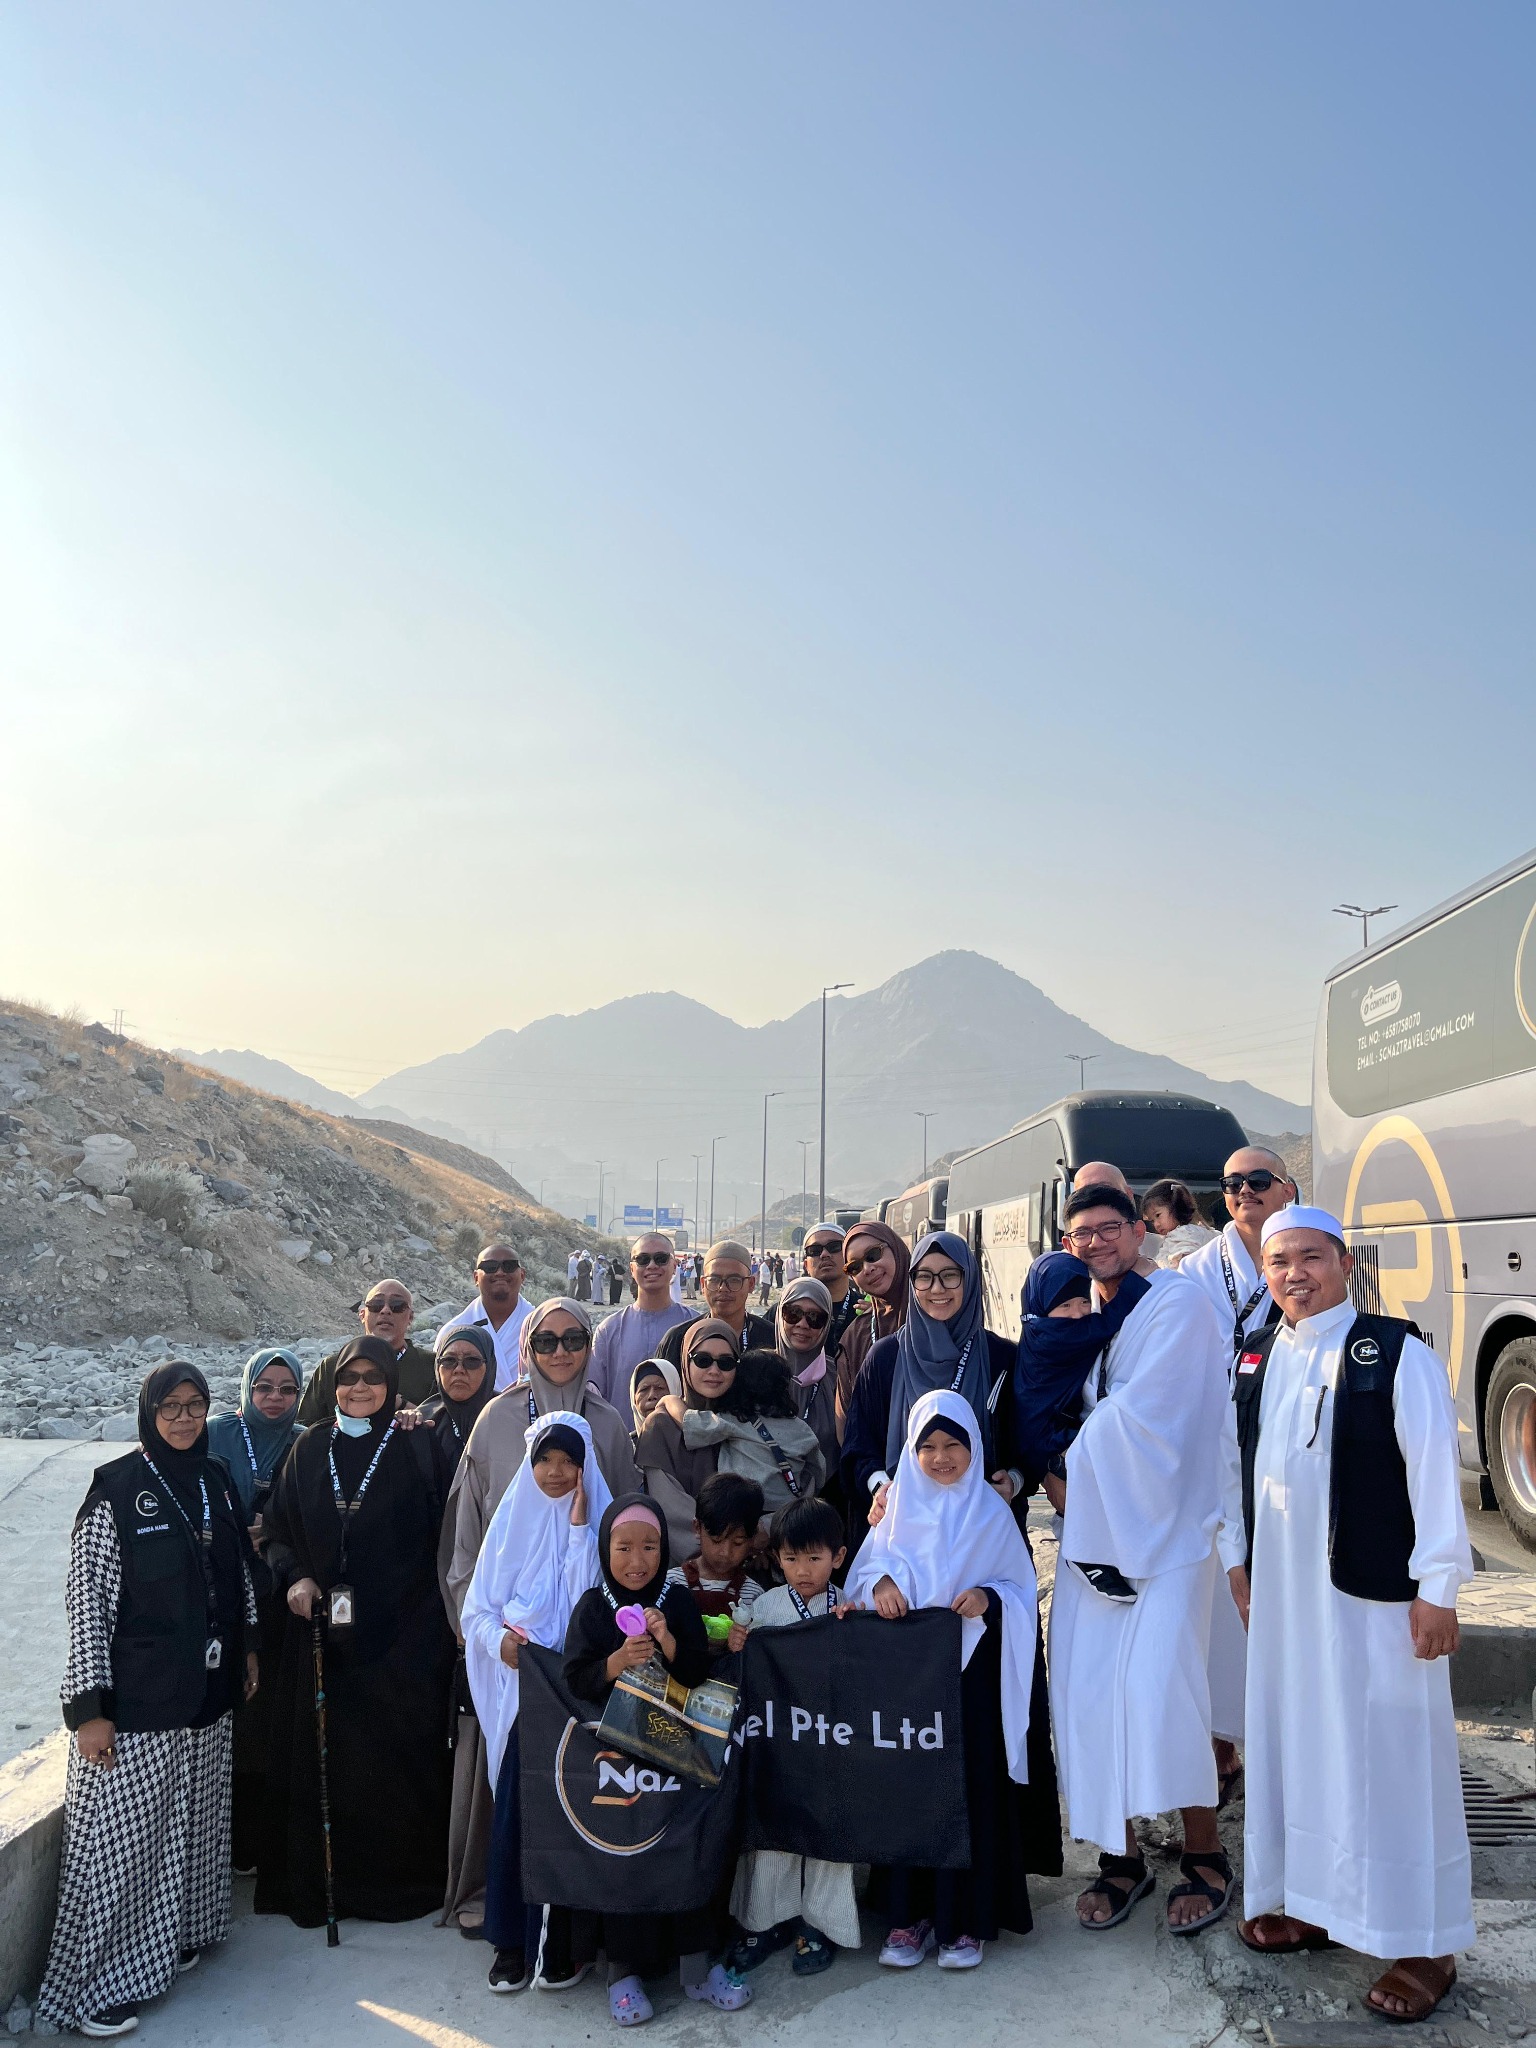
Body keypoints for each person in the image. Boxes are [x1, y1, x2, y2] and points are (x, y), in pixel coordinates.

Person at [1224, 1208, 1474, 2022]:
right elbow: (1234, 1460)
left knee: (1394, 1758)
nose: (1294, 1274)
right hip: (1286, 1600)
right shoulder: (1260, 1354)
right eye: (1279, 1262)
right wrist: (1236, 1559)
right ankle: (1313, 1902)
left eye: (1310, 1257)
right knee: (1301, 1748)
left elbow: (1432, 1469)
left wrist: (1439, 1587)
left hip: (1375, 1602)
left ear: (1343, 1263)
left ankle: (1425, 1942)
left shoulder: (1393, 1352)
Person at [39, 1364, 258, 2040]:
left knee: (195, 1827)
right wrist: (89, 1711)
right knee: (125, 1847)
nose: (185, 1419)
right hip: (139, 1701)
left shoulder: (215, 1479)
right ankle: (96, 1988)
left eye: (196, 1405)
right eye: (171, 1407)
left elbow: (239, 1575)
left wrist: (248, 1649)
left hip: (206, 1693)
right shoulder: (115, 1491)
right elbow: (87, 1607)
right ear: (148, 1412)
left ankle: (179, 1939)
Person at [1044, 1186, 1234, 1936]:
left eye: (1109, 1228)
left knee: (1165, 1689)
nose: (1096, 1242)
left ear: (1138, 1231)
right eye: (1081, 1234)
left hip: (1170, 1531)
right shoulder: (1080, 1314)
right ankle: (1120, 1858)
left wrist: (1063, 1457)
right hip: (1093, 1536)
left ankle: (1205, 1853)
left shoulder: (1176, 1303)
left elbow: (1153, 1414)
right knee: (1087, 1692)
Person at [438, 1299, 638, 1936]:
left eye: (573, 1339)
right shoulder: (497, 1418)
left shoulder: (607, 1422)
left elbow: (623, 1523)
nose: (559, 1351)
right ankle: (499, 1905)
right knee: (505, 1778)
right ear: (526, 1347)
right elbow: (470, 1528)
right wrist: (477, 1627)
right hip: (508, 1636)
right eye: (545, 1340)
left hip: (582, 1647)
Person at [846, 1390, 1049, 1972]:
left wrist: (987, 1597)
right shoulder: (896, 1512)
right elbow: (862, 1576)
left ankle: (966, 1918)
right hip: (910, 1686)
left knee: (971, 1790)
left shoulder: (991, 1514)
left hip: (973, 1683)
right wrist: (881, 1584)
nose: (940, 1458)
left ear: (974, 1446)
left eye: (953, 1444)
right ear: (911, 1451)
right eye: (927, 1446)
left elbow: (1019, 1591)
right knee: (911, 1793)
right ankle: (909, 1914)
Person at [256, 1338, 455, 1926]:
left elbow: (445, 1536)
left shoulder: (416, 1444)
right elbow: (277, 1530)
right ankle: (325, 1889)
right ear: (334, 1384)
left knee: (392, 1767)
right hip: (322, 1636)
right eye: (350, 1377)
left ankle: (391, 1888)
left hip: (402, 1642)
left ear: (391, 1384)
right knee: (328, 1761)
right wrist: (295, 1576)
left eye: (373, 1377)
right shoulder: (310, 1447)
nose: (360, 1388)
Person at [562, 1497, 751, 2024]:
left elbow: (696, 1672)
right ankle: (622, 1975)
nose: (637, 1560)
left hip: (675, 1758)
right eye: (623, 1548)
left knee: (683, 1854)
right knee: (624, 1862)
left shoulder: (677, 1599)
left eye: (649, 1547)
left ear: (664, 1548)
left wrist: (668, 1640)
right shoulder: (593, 1607)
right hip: (617, 1763)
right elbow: (574, 1678)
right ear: (606, 1551)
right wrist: (616, 1662)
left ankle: (697, 1969)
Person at [463, 1412, 611, 1994]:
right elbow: (477, 1611)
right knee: (519, 1817)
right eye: (544, 1460)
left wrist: (578, 1530)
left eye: (568, 1462)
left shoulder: (598, 1530)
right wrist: (499, 1643)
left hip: (576, 1701)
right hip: (524, 1696)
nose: (555, 1472)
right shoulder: (509, 1526)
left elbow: (589, 1607)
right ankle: (511, 1942)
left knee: (575, 1817)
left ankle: (563, 1948)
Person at [1179, 1146, 1298, 1786]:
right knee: (1221, 1603)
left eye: (1257, 1179)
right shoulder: (1195, 1269)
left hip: (1288, 1448)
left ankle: (1287, 1738)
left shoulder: (1308, 1256)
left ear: (1287, 1189)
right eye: (1231, 1182)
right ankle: (1221, 1740)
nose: (1243, 1190)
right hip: (1214, 1450)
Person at [726, 1496, 860, 1977]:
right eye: (791, 1558)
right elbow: (742, 1665)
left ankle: (821, 1924)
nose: (802, 1570)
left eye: (814, 1557)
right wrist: (738, 1642)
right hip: (778, 1744)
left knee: (830, 1834)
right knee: (771, 1832)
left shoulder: (848, 1605)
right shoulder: (764, 1607)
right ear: (776, 1558)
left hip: (831, 1743)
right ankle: (764, 1921)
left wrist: (858, 1629)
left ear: (838, 1557)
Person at [840, 1233, 1024, 1537]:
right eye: (924, 1277)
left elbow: (1025, 1443)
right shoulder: (886, 1357)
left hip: (985, 1530)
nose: (937, 1289)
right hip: (904, 1529)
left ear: (970, 1278)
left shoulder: (1001, 1357)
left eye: (950, 1275)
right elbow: (858, 1446)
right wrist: (880, 1487)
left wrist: (1015, 1481)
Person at [207, 1348, 304, 1872]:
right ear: (247, 1388)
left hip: (277, 1599)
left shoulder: (306, 1441)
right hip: (220, 1595)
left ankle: (257, 1842)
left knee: (265, 1717)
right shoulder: (217, 1434)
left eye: (287, 1389)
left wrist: (274, 1528)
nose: (274, 1398)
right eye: (264, 1387)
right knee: (227, 1712)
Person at [1010, 1252, 1149, 1600]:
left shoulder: (1038, 1327)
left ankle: (1086, 1551)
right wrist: (1141, 1276)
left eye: (1083, 1301)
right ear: (1043, 1307)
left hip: (1043, 1430)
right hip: (1045, 1437)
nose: (1077, 1313)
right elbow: (1108, 1322)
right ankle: (1085, 1557)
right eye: (1064, 1305)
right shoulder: (1052, 1333)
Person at [634, 1320, 743, 1559]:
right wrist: (727, 1543)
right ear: (685, 1362)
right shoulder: (660, 1427)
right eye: (702, 1360)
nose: (714, 1371)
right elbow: (671, 1510)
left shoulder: (744, 1422)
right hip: (686, 1566)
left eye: (726, 1363)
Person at [681, 1349, 826, 1513]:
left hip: (745, 1512)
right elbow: (818, 1472)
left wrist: (669, 1400)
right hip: (786, 1514)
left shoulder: (734, 1420)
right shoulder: (802, 1428)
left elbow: (689, 1424)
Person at [589, 1235, 698, 1424]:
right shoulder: (609, 1330)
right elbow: (595, 1398)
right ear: (632, 1269)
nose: (652, 1266)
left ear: (674, 1266)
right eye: (643, 1259)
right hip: (622, 1438)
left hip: (683, 1439)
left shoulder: (696, 1326)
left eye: (661, 1259)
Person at [297, 1281, 436, 1425]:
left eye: (397, 1305)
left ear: (410, 1317)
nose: (385, 1310)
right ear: (362, 1315)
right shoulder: (332, 1366)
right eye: (376, 1304)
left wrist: (404, 1407)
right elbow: (305, 1426)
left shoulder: (433, 1366)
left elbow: (442, 1425)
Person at [668, 1471, 766, 1659]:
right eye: (716, 1540)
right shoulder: (671, 1582)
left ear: (752, 1538)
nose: (725, 1552)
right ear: (697, 1528)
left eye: (738, 1543)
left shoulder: (755, 1596)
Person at [832, 1222, 910, 1435]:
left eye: (873, 1255)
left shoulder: (936, 1316)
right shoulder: (855, 1336)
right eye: (855, 1267)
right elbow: (846, 1422)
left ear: (896, 1249)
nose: (867, 1269)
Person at [653, 1241, 774, 1368]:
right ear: (703, 1284)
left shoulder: (772, 1338)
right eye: (714, 1280)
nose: (723, 1288)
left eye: (734, 1280)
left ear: (751, 1284)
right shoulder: (678, 1340)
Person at [772, 1276, 841, 1488]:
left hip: (826, 1496)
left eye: (815, 1317)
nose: (802, 1324)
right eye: (793, 1313)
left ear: (826, 1324)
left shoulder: (838, 1377)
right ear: (780, 1314)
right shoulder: (757, 1373)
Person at [440, 1245, 535, 1393]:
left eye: (509, 1266)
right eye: (490, 1267)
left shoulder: (541, 1326)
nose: (500, 1272)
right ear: (476, 1277)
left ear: (522, 1275)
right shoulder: (453, 1332)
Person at [419, 1324, 498, 1470]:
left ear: (489, 1367)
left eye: (471, 1361)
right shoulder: (422, 1422)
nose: (459, 1370)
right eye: (449, 1361)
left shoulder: (511, 1417)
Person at [799, 1226, 862, 1376]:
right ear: (806, 1265)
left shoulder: (868, 1310)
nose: (824, 1254)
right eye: (814, 1250)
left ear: (848, 1257)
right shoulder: (787, 1313)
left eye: (834, 1247)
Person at [1139, 1180, 1218, 1266]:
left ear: (1176, 1207)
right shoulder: (1200, 1231)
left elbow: (1183, 1264)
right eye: (1152, 1221)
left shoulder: (1185, 1234)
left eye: (1158, 1215)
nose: (1156, 1224)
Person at [627, 1357, 682, 1443]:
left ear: (674, 1391)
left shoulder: (692, 1442)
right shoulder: (627, 1446)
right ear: (634, 1399)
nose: (652, 1396)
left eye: (660, 1388)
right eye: (644, 1389)